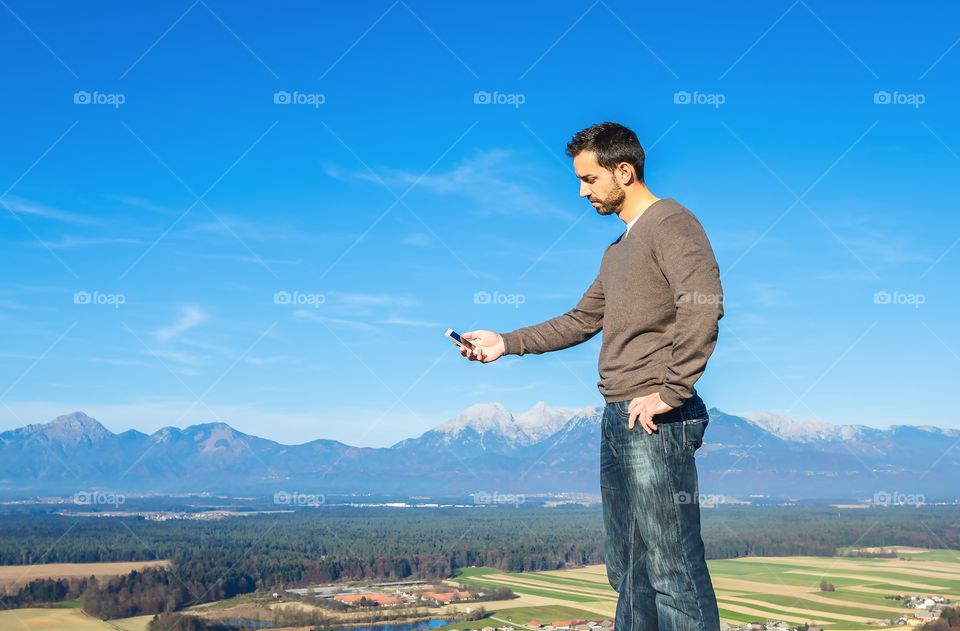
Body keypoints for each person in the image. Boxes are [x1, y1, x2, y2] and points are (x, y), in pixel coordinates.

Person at [458, 121, 724, 630]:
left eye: (588, 179)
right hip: (619, 414)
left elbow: (704, 304)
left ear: (623, 172)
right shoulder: (617, 251)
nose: (582, 192)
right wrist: (505, 343)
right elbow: (581, 320)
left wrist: (672, 391)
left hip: (657, 419)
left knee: (672, 567)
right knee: (627, 569)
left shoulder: (671, 223)